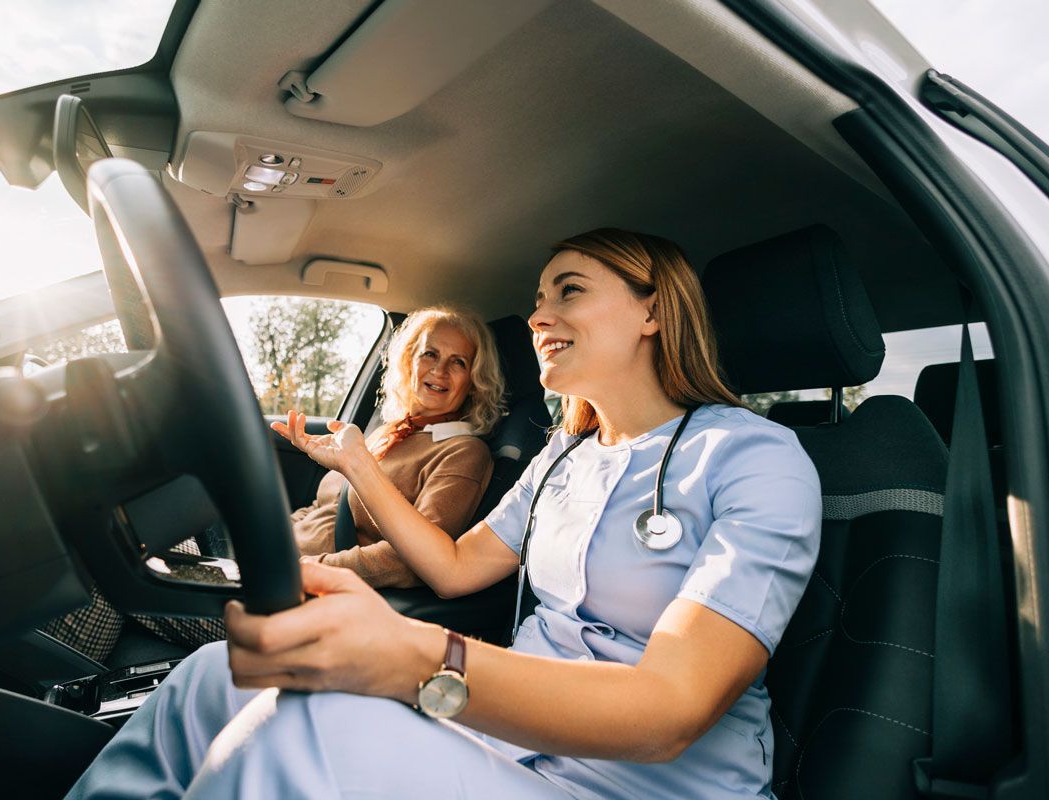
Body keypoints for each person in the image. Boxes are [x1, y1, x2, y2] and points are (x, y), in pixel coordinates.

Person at [67, 229, 822, 799]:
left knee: (294, 724)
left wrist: (416, 656)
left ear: (653, 310)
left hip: (631, 786)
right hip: (505, 743)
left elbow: (671, 710)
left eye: (568, 291)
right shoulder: (564, 458)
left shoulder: (756, 460)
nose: (537, 316)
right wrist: (355, 472)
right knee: (211, 676)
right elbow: (455, 568)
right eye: (537, 299)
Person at [44, 305, 504, 661]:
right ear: (409, 361)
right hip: (265, 562)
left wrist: (308, 568)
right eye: (429, 353)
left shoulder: (462, 452)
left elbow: (414, 561)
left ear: (474, 380)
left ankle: (54, 697)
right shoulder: (384, 436)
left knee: (112, 567)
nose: (439, 371)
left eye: (457, 362)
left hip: (297, 594)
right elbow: (322, 514)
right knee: (115, 532)